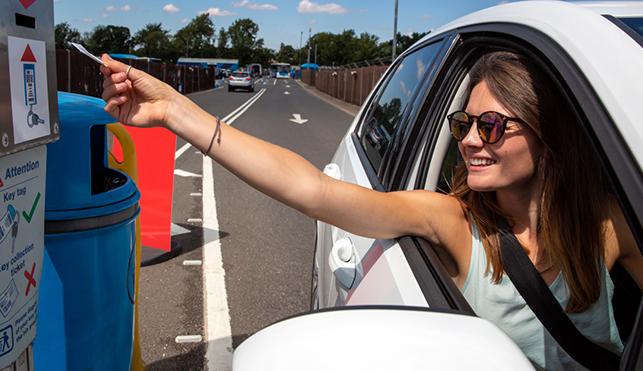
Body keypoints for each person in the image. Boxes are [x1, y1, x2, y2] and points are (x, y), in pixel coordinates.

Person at [100, 51, 643, 370]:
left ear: (548, 137)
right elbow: (313, 190)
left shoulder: (609, 223)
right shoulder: (452, 221)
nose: (472, 142)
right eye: (464, 125)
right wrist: (176, 110)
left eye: (493, 126)